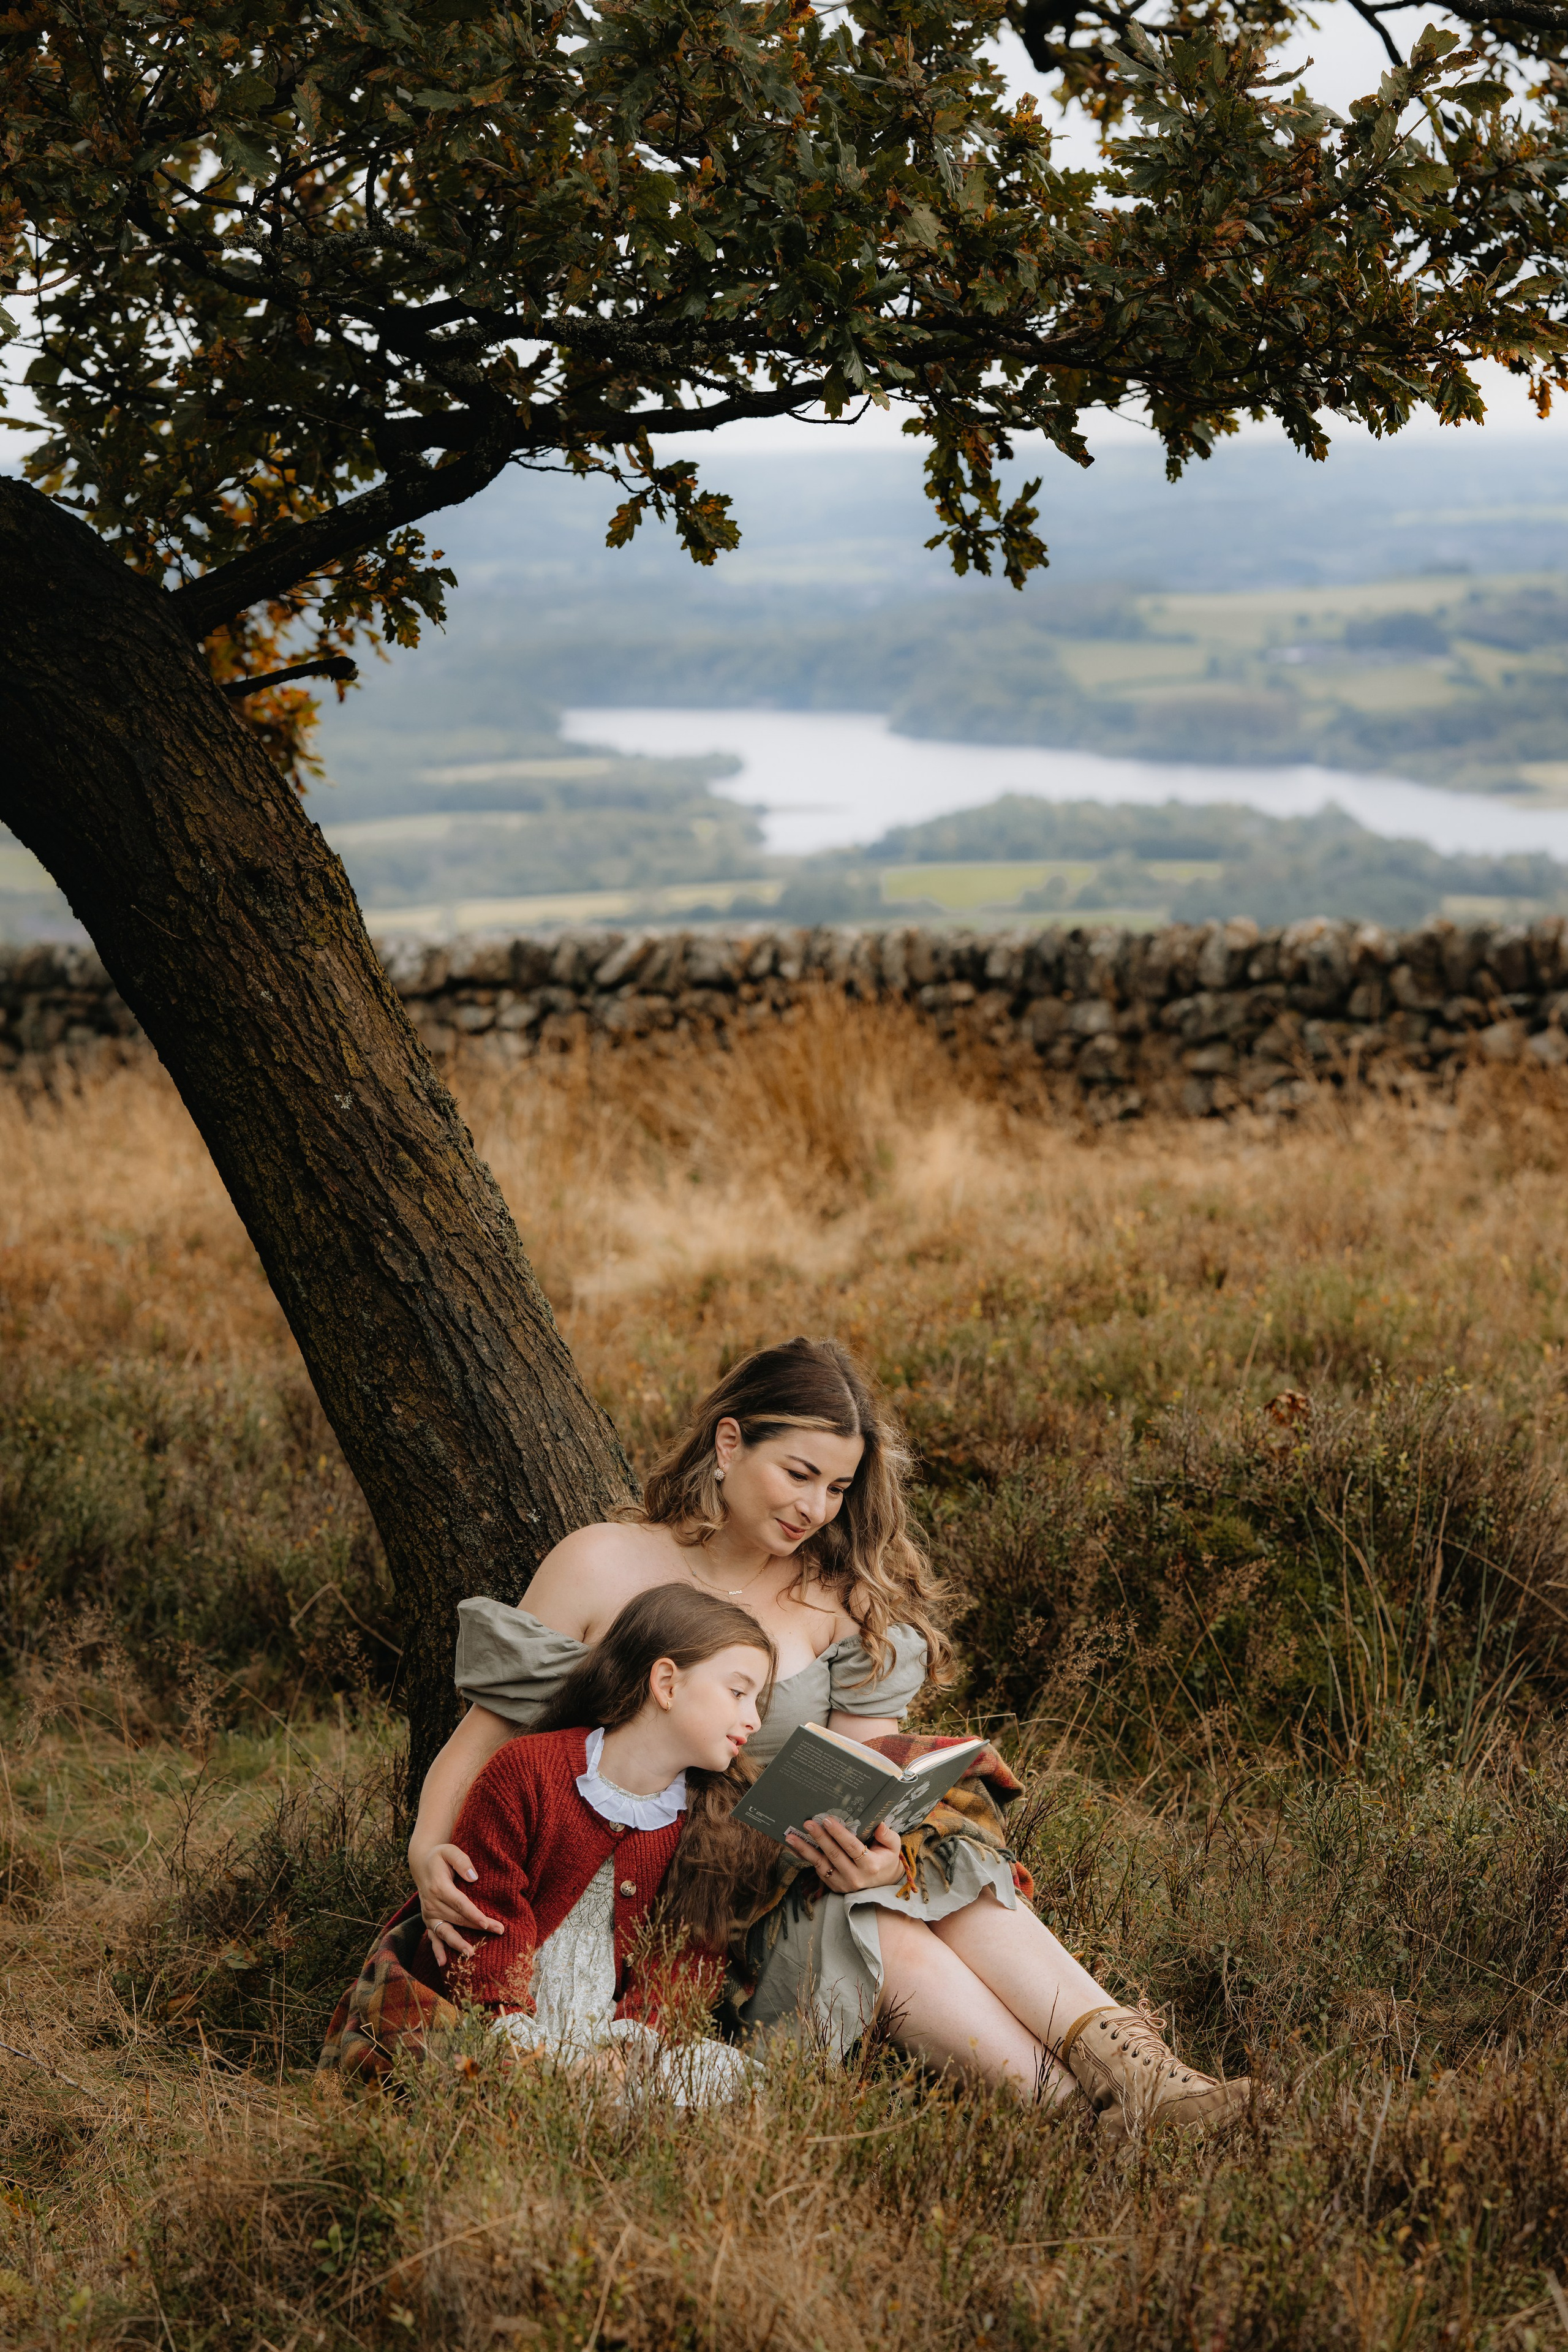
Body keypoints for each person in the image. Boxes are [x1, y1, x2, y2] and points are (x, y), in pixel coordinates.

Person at [409, 1337, 1248, 2139]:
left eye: (838, 1488)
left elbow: (868, 1774)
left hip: (790, 1870)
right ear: (730, 1444)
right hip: (666, 1915)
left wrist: (883, 1856)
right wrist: (424, 1849)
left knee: (905, 1889)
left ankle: (1144, 2082)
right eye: (799, 1474)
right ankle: (1086, 2111)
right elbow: (483, 1738)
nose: (815, 1509)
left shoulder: (840, 1599)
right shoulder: (602, 1564)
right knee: (882, 1931)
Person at [325, 1583, 775, 2099]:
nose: (754, 1719)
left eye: (757, 1700)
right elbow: (485, 1917)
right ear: (667, 1683)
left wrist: (625, 2053)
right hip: (496, 2027)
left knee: (738, 2085)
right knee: (491, 2086)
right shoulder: (528, 1770)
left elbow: (685, 1956)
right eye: (738, 1693)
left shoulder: (714, 1819)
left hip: (617, 2043)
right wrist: (523, 2047)